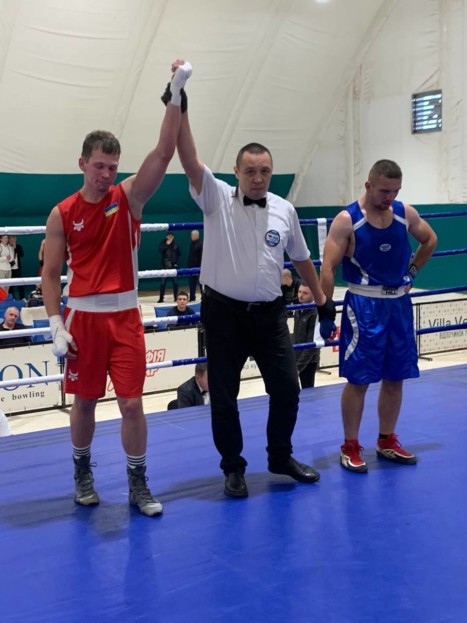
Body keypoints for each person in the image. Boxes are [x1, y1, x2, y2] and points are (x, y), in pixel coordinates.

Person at [172, 68, 336, 497]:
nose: (258, 177)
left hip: (269, 315)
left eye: (264, 171)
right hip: (223, 314)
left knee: (287, 389)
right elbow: (188, 158)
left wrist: (321, 300)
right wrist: (179, 103)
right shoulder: (216, 197)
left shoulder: (284, 209)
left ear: (271, 172)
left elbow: (301, 258)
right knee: (224, 397)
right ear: (236, 171)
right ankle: (233, 467)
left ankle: (280, 456)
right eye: (250, 171)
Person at [41, 60, 192, 516]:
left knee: (131, 404)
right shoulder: (62, 213)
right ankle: (82, 473)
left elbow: (163, 153)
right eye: (99, 166)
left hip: (125, 317)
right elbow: (50, 273)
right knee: (84, 402)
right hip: (83, 319)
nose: (106, 174)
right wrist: (55, 323)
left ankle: (138, 484)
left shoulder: (128, 197)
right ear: (82, 163)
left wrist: (175, 94)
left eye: (112, 167)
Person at [320, 159, 437, 473]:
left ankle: (386, 440)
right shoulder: (347, 220)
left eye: (395, 191)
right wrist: (325, 311)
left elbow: (430, 239)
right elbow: (328, 267)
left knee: (396, 377)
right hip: (364, 306)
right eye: (384, 190)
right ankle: (350, 445)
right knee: (359, 380)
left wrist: (412, 272)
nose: (390, 197)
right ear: (368, 185)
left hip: (398, 304)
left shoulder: (404, 213)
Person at [293, 283, 320, 389]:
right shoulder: (298, 309)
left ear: (313, 294)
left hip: (309, 361)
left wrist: (298, 367)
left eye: (305, 293)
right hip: (296, 356)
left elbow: (312, 345)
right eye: (299, 292)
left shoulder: (315, 313)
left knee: (308, 391)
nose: (300, 295)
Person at [157, 231, 181, 302]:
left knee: (175, 283)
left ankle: (176, 298)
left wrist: (177, 263)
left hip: (173, 267)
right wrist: (166, 245)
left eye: (171, 236)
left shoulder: (176, 244)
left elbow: (179, 255)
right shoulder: (163, 243)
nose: (170, 237)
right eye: (169, 236)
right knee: (163, 283)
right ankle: (161, 298)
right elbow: (160, 250)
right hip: (165, 267)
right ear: (166, 237)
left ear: (173, 237)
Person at [188, 229, 203, 301]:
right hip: (191, 267)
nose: (191, 236)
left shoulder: (200, 244)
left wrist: (200, 267)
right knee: (191, 283)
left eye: (192, 235)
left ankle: (204, 296)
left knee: (201, 283)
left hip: (198, 267)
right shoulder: (192, 244)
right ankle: (192, 297)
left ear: (196, 236)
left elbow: (201, 256)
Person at [8, 236, 25, 300]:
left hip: (17, 269)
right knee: (10, 285)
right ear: (9, 240)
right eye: (12, 241)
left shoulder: (18, 247)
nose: (13, 242)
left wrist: (15, 248)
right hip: (9, 269)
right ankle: (12, 299)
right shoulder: (6, 247)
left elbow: (22, 255)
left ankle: (22, 298)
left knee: (20, 284)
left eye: (14, 241)